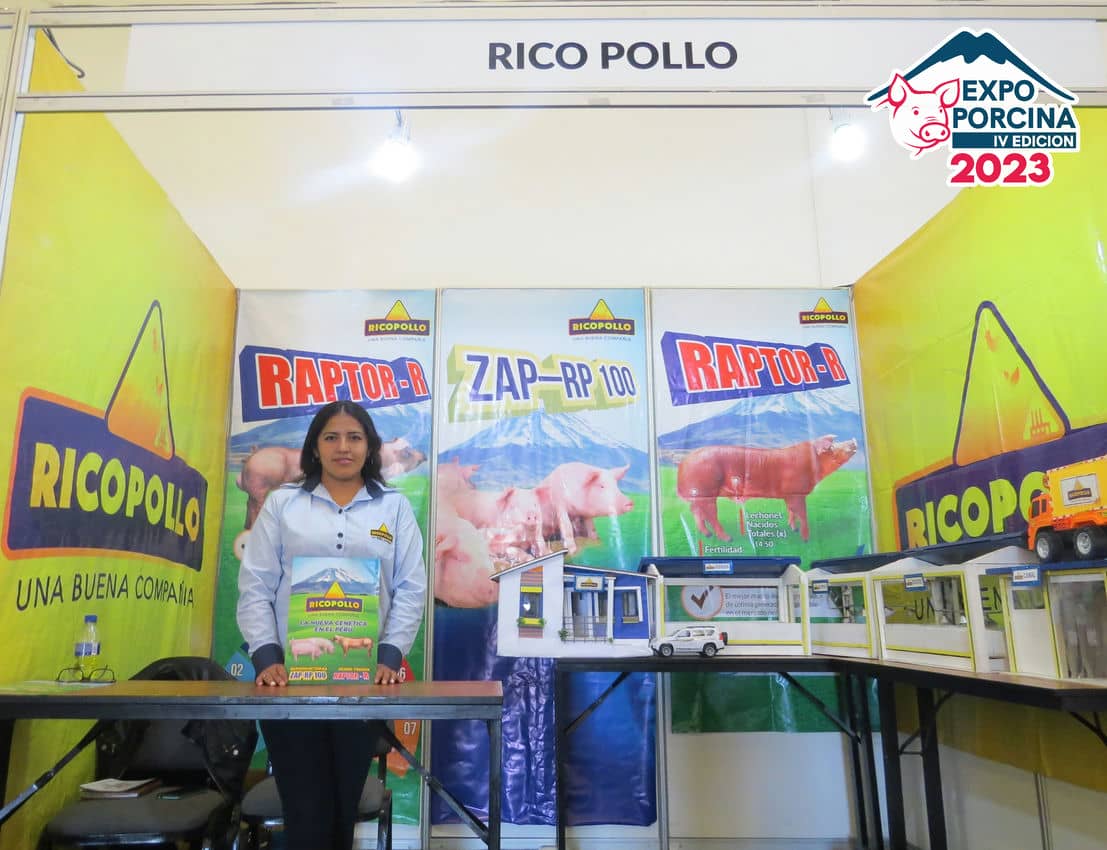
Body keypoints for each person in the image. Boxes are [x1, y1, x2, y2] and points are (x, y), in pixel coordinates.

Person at [236, 400, 426, 850]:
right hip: (288, 685)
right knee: (305, 811)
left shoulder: (394, 508)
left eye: (354, 437)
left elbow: (411, 588)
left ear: (370, 447)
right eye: (332, 437)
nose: (344, 447)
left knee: (343, 811)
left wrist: (389, 656)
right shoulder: (283, 503)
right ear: (315, 447)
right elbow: (256, 585)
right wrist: (266, 657)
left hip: (363, 684)